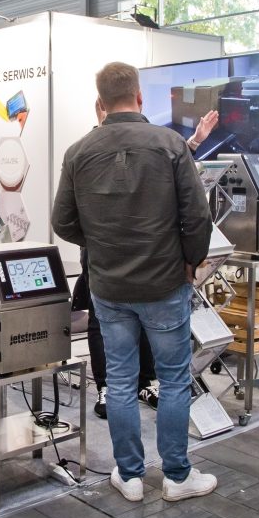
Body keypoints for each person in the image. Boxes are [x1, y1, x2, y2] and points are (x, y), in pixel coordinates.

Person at [52, 62, 216, 503]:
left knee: (120, 381)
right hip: (165, 283)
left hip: (109, 286)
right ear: (140, 97)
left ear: (100, 103)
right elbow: (197, 216)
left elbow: (62, 221)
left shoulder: (78, 152)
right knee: (173, 380)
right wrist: (190, 260)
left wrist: (102, 244)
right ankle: (177, 476)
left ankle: (129, 476)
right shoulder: (172, 144)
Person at [74, 100, 218, 419]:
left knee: (143, 318)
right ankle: (108, 386)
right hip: (105, 257)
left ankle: (144, 382)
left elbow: (164, 170)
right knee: (103, 320)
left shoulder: (152, 141)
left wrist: (195, 142)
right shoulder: (91, 148)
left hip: (144, 255)